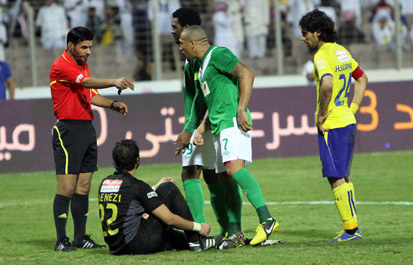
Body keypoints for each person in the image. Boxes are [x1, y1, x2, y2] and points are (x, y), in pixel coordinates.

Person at [179, 25, 279, 246]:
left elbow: (246, 73)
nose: (180, 47)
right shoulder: (203, 67)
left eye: (182, 43)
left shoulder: (218, 54)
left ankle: (267, 219)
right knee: (224, 176)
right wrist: (200, 129)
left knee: (233, 169)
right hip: (218, 124)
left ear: (192, 43)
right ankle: (234, 232)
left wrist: (241, 108)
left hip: (232, 121)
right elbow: (211, 102)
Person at [50, 26, 135, 252]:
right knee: (66, 188)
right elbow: (86, 84)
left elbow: (90, 95)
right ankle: (61, 240)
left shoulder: (82, 65)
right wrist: (114, 81)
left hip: (86, 128)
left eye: (90, 47)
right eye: (84, 47)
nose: (88, 51)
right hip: (68, 129)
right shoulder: (61, 66)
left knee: (84, 186)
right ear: (71, 46)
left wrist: (113, 105)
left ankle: (80, 238)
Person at [171, 8, 244, 246]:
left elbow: (199, 100)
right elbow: (194, 99)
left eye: (175, 27)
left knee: (198, 172)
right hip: (202, 125)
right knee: (214, 176)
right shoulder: (190, 62)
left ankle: (204, 233)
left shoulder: (207, 59)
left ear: (188, 30)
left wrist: (190, 129)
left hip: (210, 124)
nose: (172, 32)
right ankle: (226, 231)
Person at [299, 9, 368, 241]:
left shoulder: (321, 55)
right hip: (347, 120)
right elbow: (362, 77)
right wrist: (354, 108)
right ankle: (352, 227)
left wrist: (320, 115)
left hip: (332, 125)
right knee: (344, 176)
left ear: (318, 33)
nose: (302, 38)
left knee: (335, 177)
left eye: (305, 33)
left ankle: (351, 230)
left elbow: (326, 85)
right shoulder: (342, 51)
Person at [98, 139, 230, 255]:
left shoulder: (105, 183)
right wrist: (198, 227)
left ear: (115, 161)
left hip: (116, 247)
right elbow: (169, 219)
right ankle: (197, 241)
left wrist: (153, 189)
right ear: (137, 160)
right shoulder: (137, 186)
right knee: (168, 189)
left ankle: (201, 242)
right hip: (136, 243)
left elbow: (128, 199)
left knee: (168, 235)